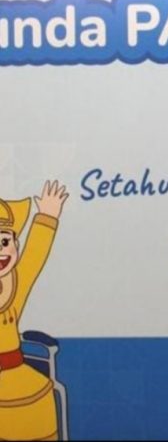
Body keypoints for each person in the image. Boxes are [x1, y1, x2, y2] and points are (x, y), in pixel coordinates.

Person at [0, 180, 69, 441]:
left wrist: (47, 216)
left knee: (33, 402)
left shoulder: (14, 285)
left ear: (15, 245)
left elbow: (34, 257)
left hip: (14, 375)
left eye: (4, 241)